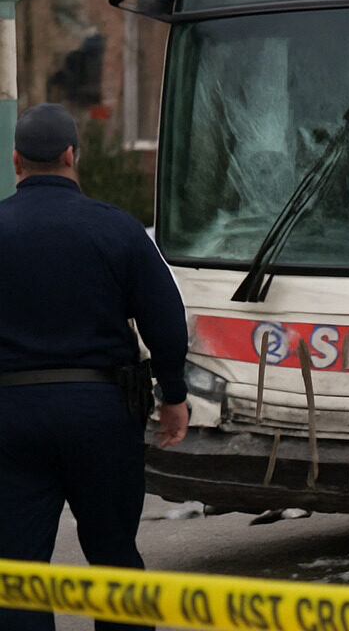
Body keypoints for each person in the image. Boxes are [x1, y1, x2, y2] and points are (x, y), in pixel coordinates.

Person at [0, 103, 190, 631]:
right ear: (71, 155)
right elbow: (165, 319)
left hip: (11, 417)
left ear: (16, 161)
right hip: (102, 414)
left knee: (17, 569)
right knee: (114, 557)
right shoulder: (117, 229)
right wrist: (174, 394)